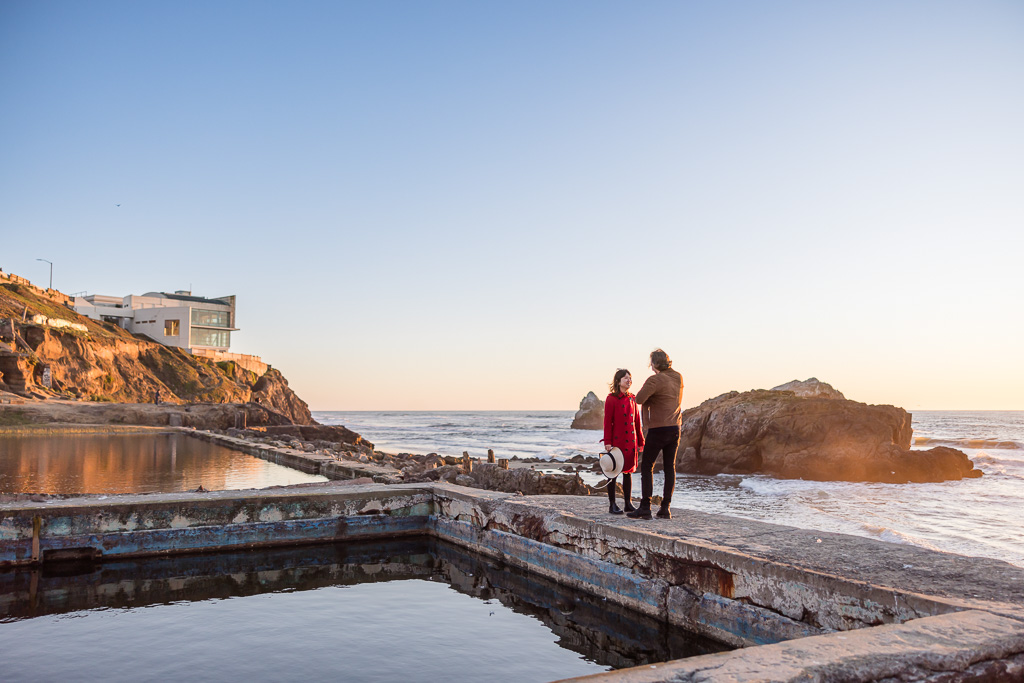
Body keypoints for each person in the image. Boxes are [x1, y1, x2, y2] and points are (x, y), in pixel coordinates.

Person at [627, 348, 683, 520]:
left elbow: (639, 399)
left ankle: (645, 508)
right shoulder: (678, 376)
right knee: (669, 468)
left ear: (654, 364)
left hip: (658, 429)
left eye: (651, 362)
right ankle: (665, 508)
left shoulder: (655, 379)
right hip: (675, 428)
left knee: (647, 467)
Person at [602, 368, 643, 514]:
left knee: (628, 473)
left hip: (631, 441)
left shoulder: (633, 398)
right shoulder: (611, 399)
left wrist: (641, 441)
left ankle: (628, 503)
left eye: (630, 378)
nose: (629, 380)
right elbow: (607, 422)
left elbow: (637, 422)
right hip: (616, 442)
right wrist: (607, 441)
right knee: (613, 472)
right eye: (626, 378)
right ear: (618, 381)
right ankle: (612, 504)